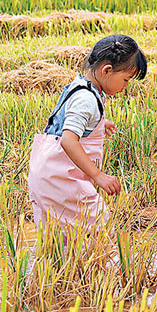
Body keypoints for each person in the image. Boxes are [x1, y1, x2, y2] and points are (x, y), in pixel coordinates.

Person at [28, 35, 148, 227]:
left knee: (57, 236)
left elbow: (69, 119)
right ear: (107, 70)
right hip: (60, 177)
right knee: (98, 224)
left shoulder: (84, 86)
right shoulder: (86, 99)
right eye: (126, 80)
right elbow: (68, 140)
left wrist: (99, 123)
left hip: (47, 173)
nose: (125, 87)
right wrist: (97, 175)